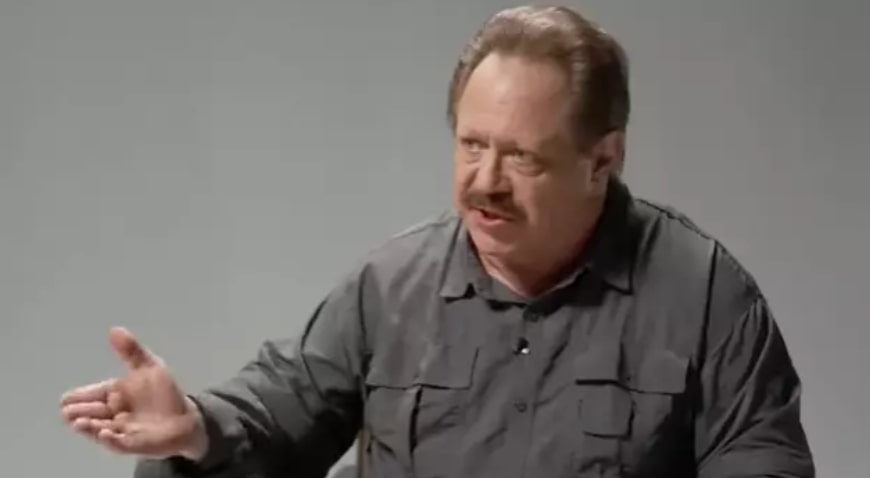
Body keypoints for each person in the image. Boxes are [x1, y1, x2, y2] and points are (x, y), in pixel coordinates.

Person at [59, 5, 815, 478]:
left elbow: (764, 464)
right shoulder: (390, 288)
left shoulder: (704, 295)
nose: (484, 183)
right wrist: (195, 428)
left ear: (603, 160)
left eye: (521, 157)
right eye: (471, 145)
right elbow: (278, 418)